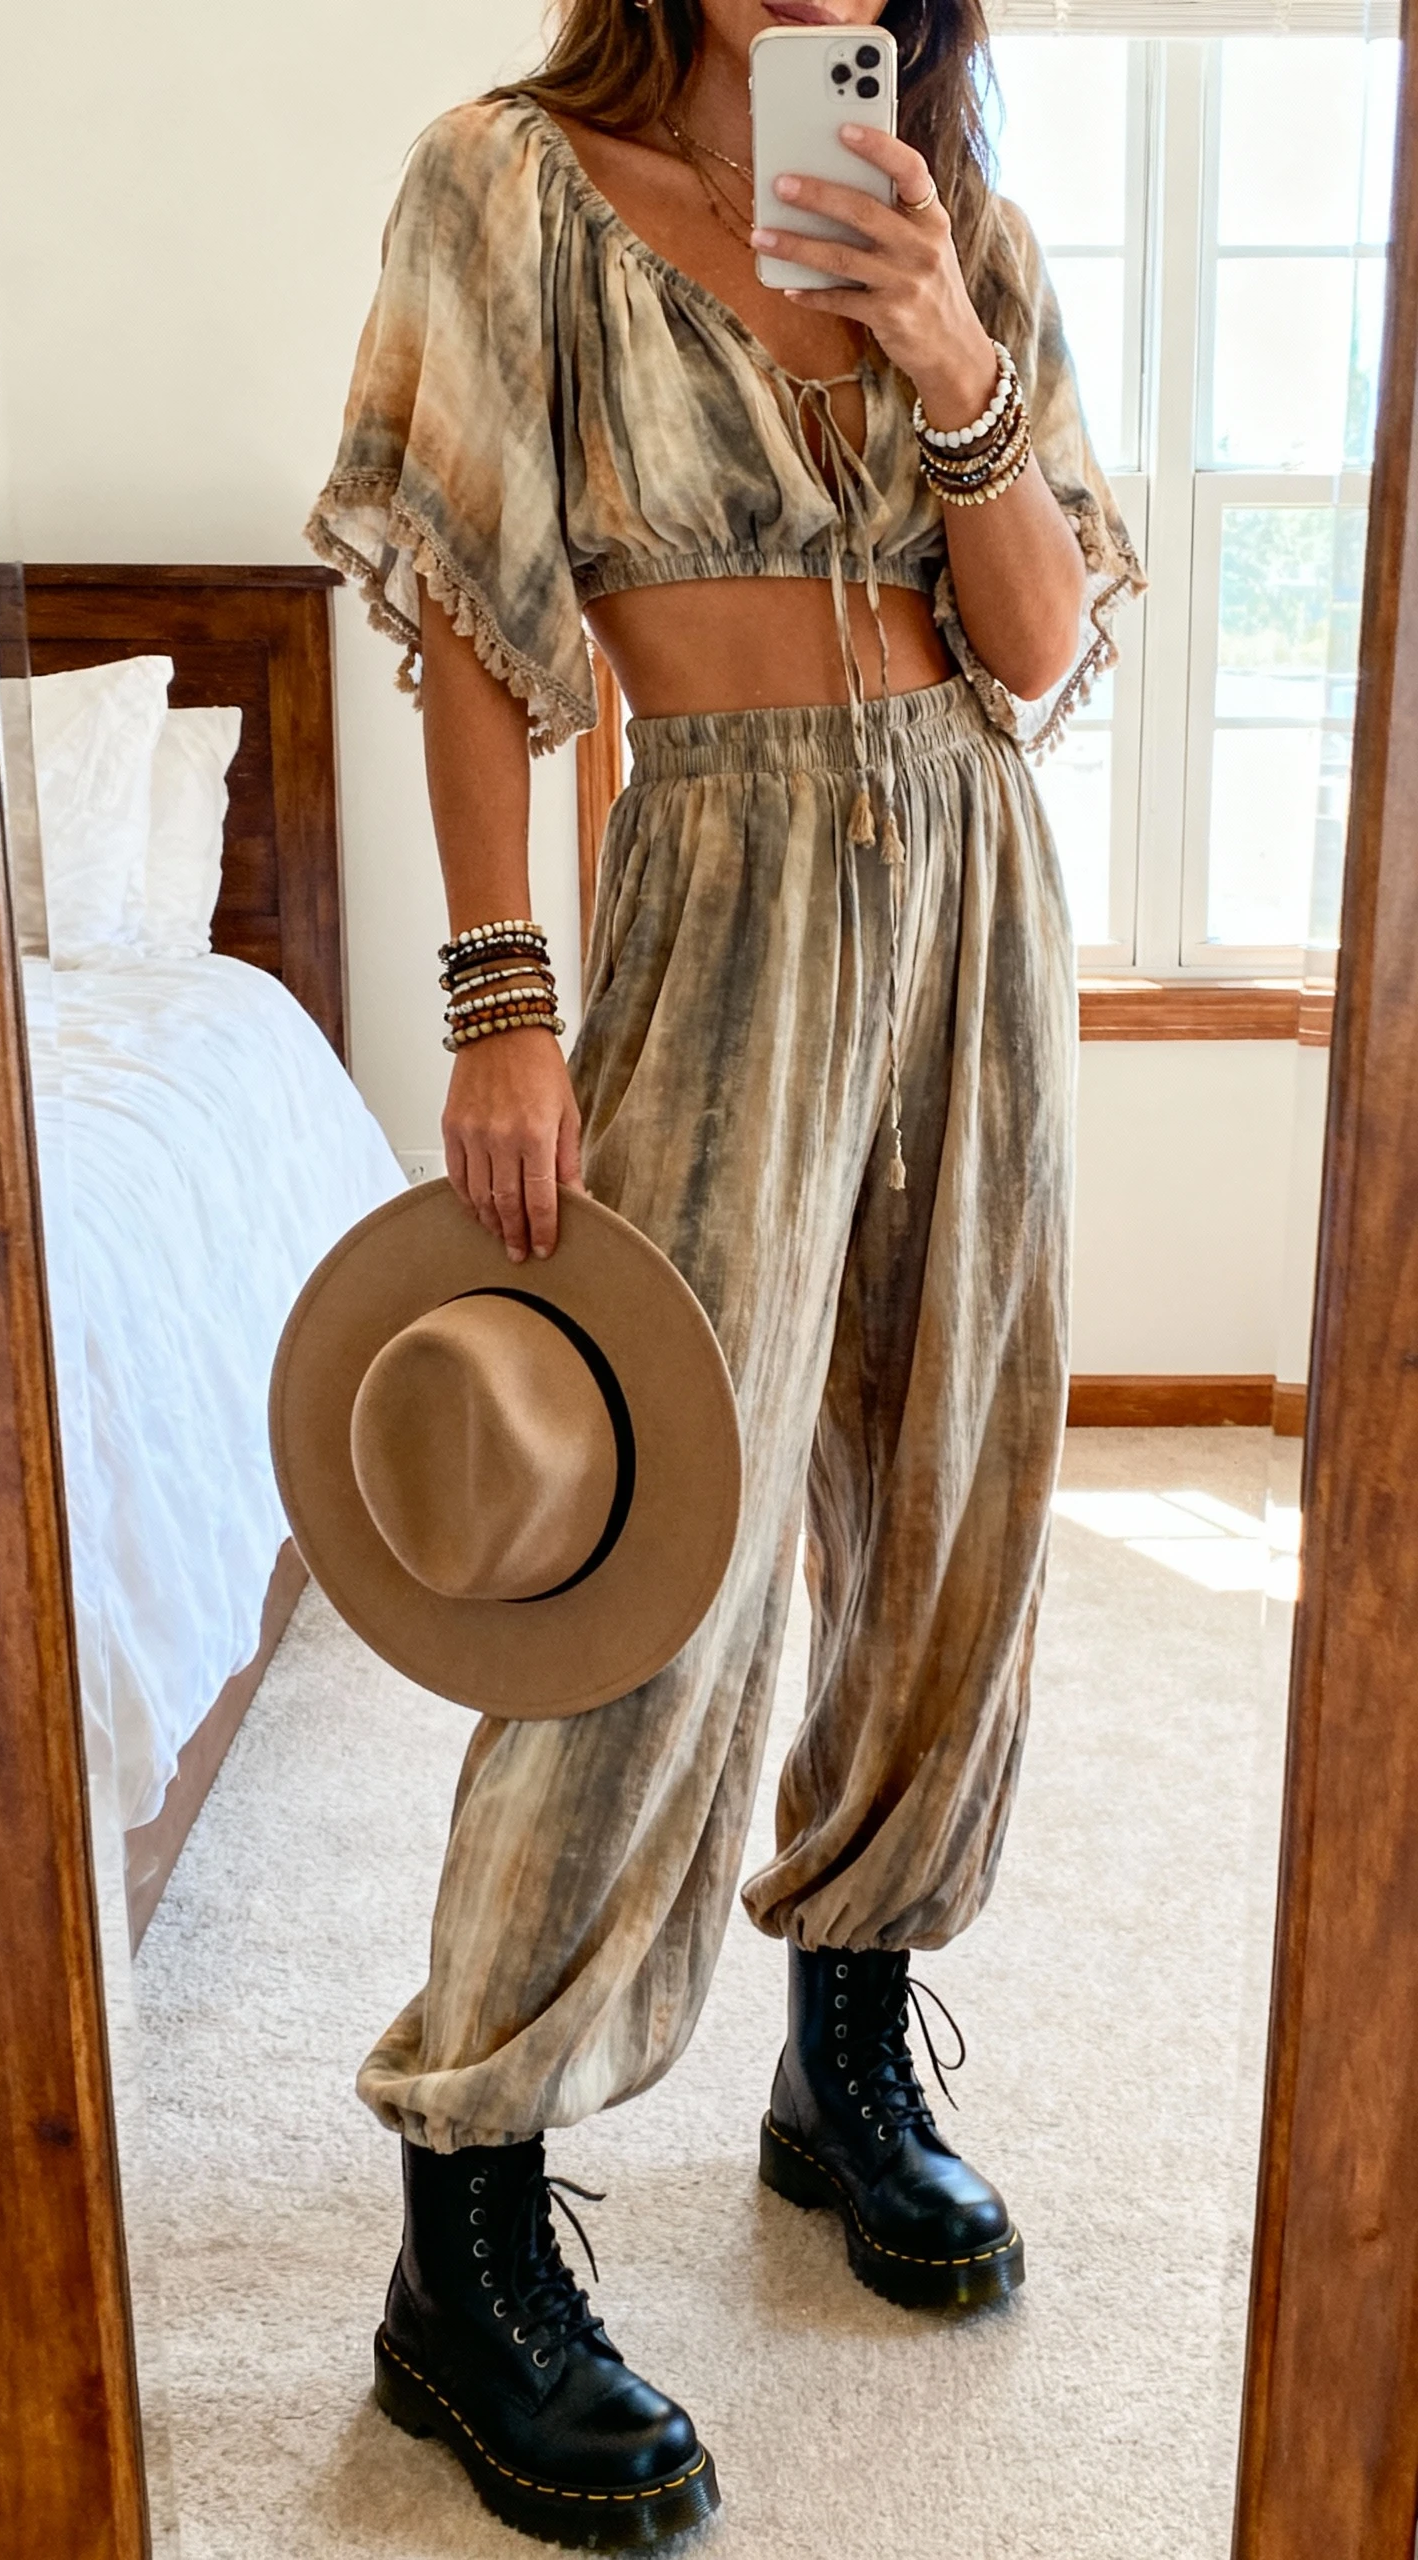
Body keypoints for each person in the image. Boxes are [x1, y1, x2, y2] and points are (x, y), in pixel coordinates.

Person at [308, 0, 1142, 2543]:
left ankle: (845, 2049)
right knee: (643, 1563)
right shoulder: (511, 183)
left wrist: (950, 346)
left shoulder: (948, 216)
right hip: (728, 885)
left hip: (977, 897)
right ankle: (468, 2212)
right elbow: (470, 604)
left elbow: (1037, 651)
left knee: (954, 1516)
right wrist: (499, 993)